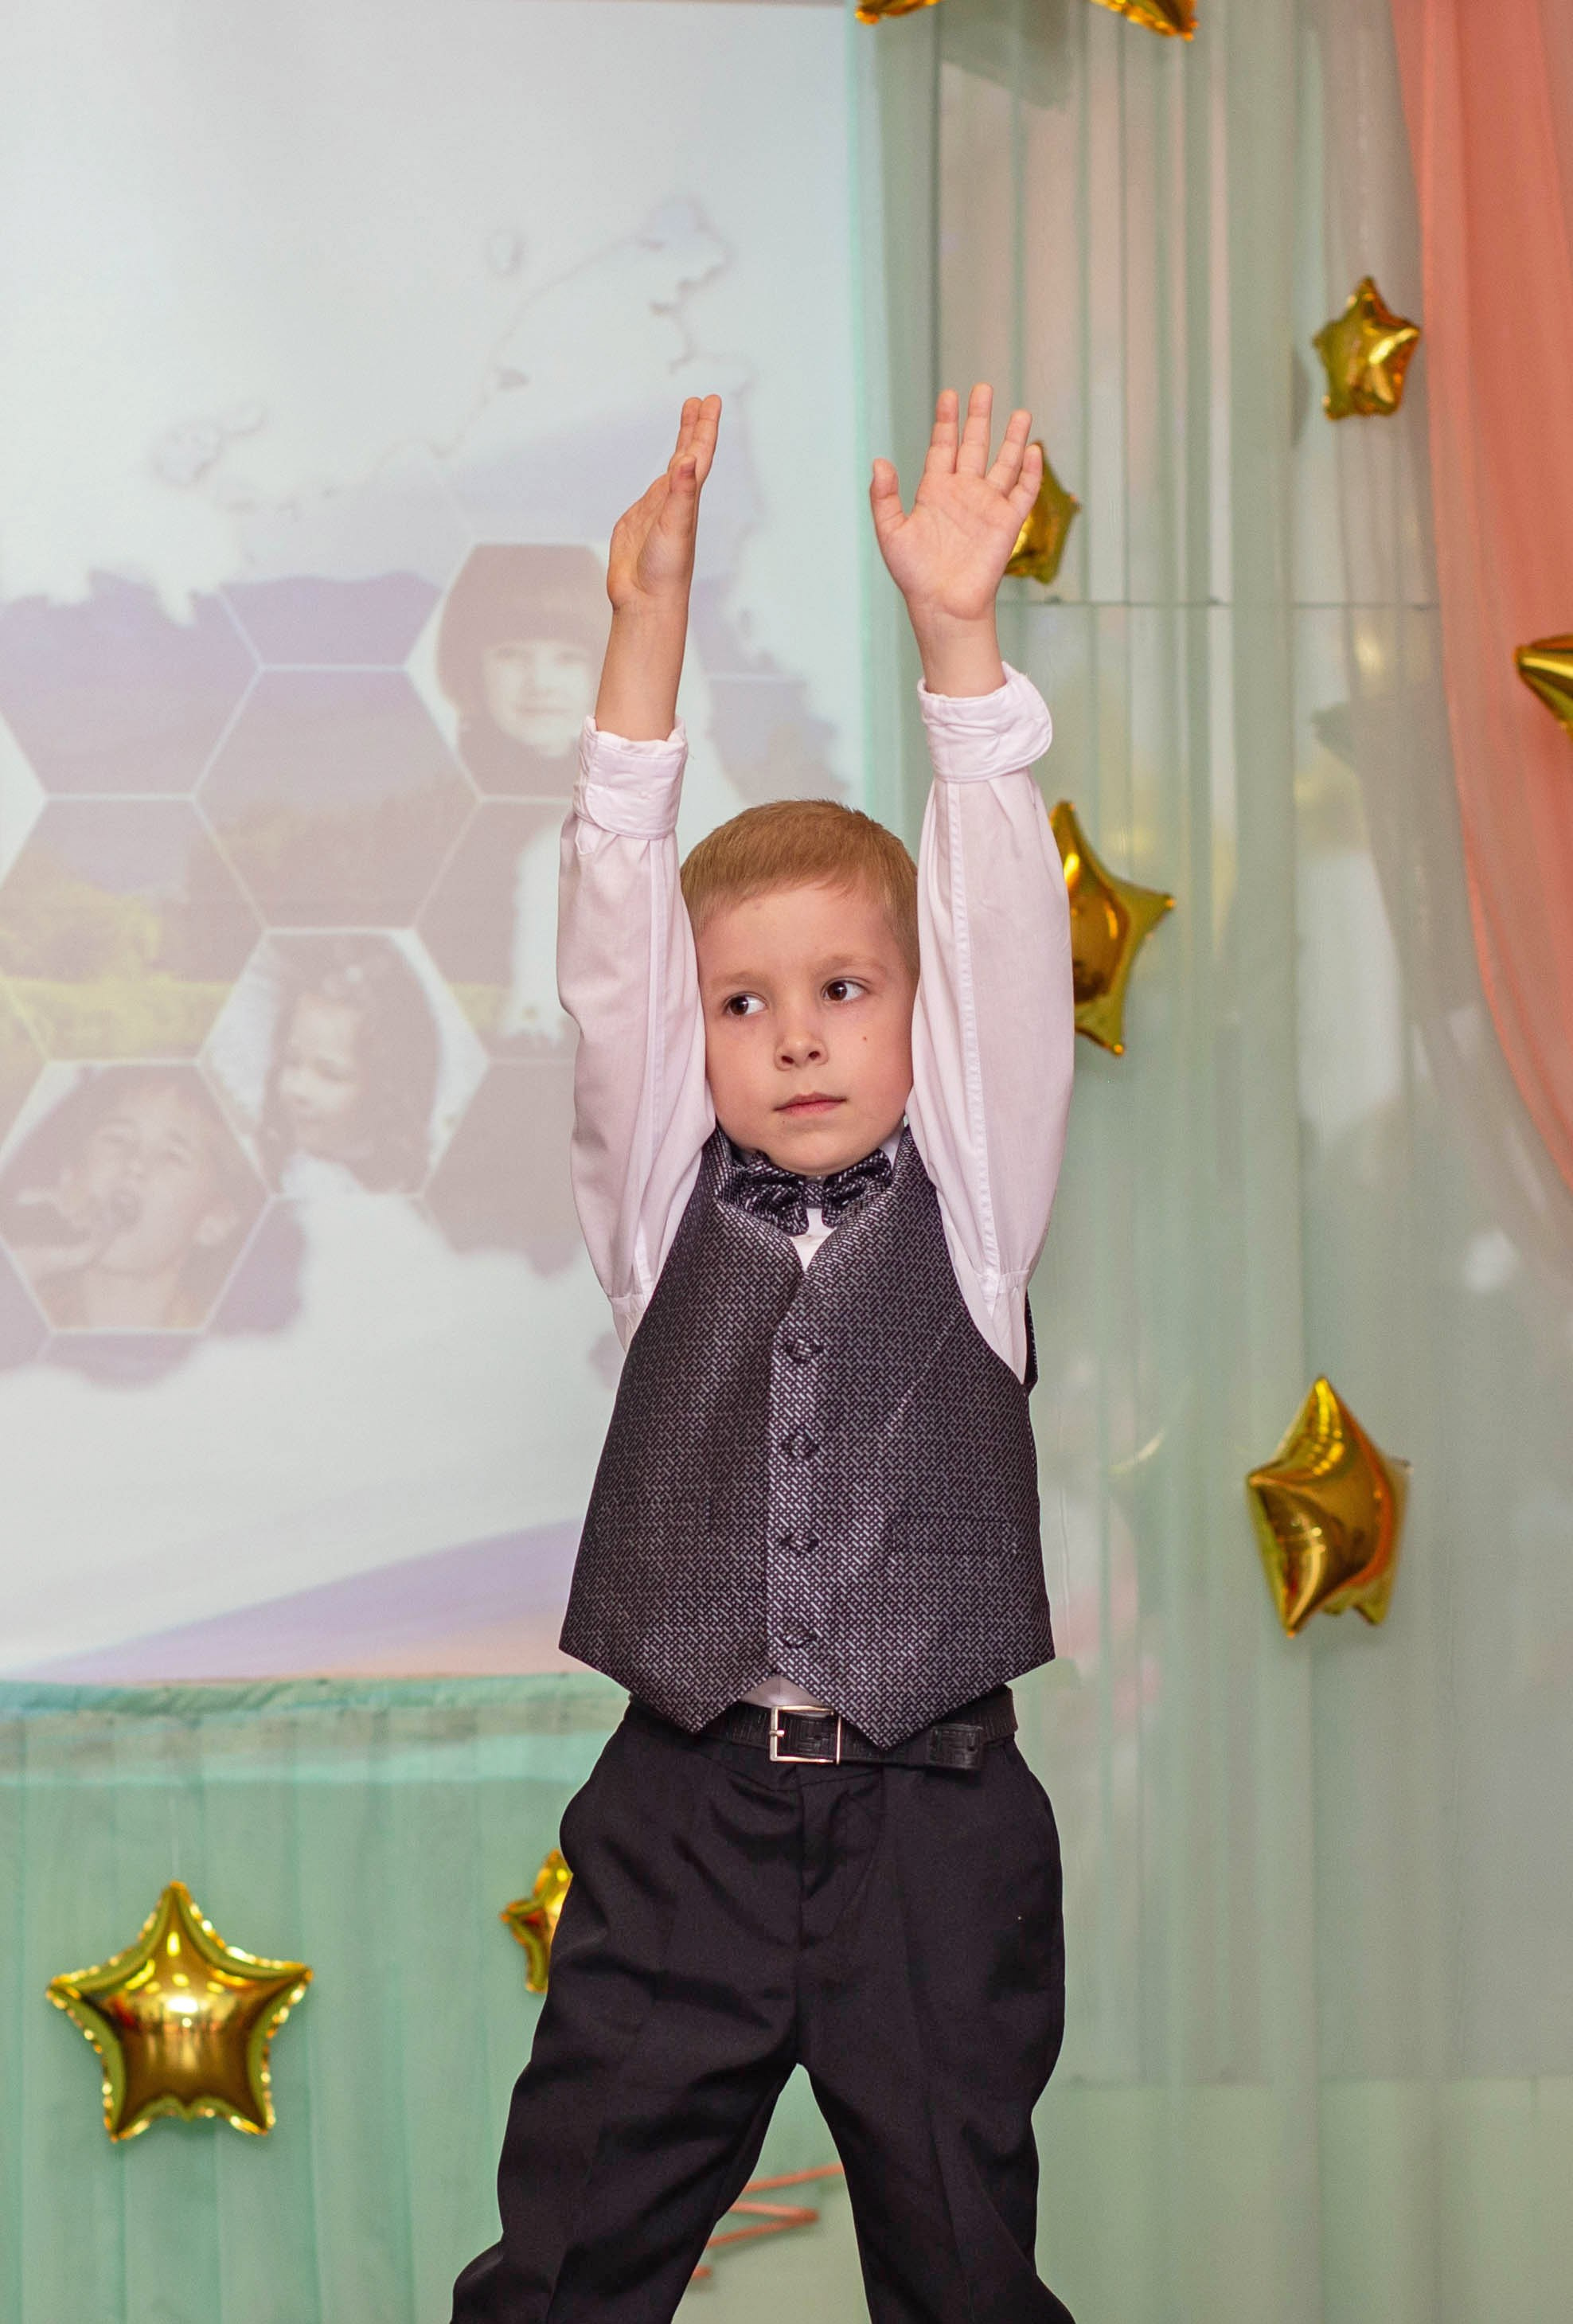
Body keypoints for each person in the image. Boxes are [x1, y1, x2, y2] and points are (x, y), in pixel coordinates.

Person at [451, 385, 1077, 2322]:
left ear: (915, 1019)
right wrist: (642, 639)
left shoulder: (973, 1203)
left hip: (934, 1820)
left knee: (966, 2276)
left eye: (842, 990)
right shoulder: (661, 1210)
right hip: (685, 1819)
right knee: (563, 2267)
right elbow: (611, 947)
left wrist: (958, 646)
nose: (794, 1035)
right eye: (745, 1001)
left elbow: (993, 932)